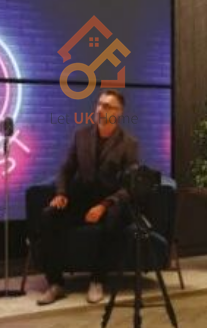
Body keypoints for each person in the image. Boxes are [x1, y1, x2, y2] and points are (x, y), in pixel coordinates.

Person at [37, 89, 139, 306]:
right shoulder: (81, 136)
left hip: (110, 202)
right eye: (99, 104)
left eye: (107, 106)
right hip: (82, 198)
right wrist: (61, 194)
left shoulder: (128, 144)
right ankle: (55, 283)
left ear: (118, 112)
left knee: (114, 218)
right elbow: (66, 169)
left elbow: (129, 187)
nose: (101, 109)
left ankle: (97, 280)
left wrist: (104, 205)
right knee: (48, 215)